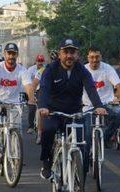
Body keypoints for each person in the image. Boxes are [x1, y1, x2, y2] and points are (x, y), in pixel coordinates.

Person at [37, 39, 106, 179]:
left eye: (72, 52)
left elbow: (91, 88)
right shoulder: (50, 69)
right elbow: (43, 89)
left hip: (74, 113)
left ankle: (80, 183)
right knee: (48, 131)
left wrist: (99, 106)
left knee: (81, 145)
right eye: (66, 52)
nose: (69, 56)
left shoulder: (82, 70)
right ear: (59, 54)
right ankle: (46, 162)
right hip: (53, 112)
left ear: (77, 55)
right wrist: (43, 106)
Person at [0, 43, 33, 154]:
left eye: (13, 54)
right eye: (9, 53)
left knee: (17, 129)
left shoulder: (22, 70)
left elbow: (28, 86)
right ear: (5, 54)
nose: (11, 56)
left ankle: (16, 155)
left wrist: (32, 99)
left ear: (17, 55)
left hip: (14, 103)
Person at [82, 46, 120, 150]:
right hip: (88, 105)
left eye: (97, 57)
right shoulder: (83, 69)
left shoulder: (108, 68)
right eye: (92, 57)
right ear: (88, 58)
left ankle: (106, 137)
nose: (94, 60)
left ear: (100, 57)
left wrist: (119, 99)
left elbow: (118, 85)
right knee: (87, 135)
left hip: (107, 103)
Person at [26, 54, 46, 134]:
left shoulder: (45, 69)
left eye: (41, 61)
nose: (40, 63)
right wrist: (30, 94)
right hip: (31, 89)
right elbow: (27, 81)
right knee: (31, 108)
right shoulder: (31, 69)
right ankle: (30, 126)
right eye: (38, 61)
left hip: (41, 90)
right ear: (36, 61)